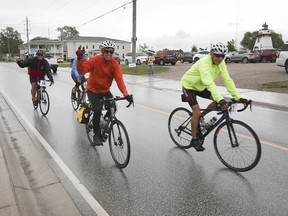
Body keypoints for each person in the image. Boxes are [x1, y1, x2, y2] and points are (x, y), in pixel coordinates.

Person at [180, 42, 249, 152]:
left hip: (201, 86)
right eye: (217, 55)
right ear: (211, 54)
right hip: (189, 85)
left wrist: (238, 98)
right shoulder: (204, 63)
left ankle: (201, 116)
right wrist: (221, 100)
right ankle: (194, 139)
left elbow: (227, 80)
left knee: (217, 101)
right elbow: (208, 82)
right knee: (196, 111)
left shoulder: (221, 63)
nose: (220, 58)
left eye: (223, 56)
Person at [76, 40, 133, 146]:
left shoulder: (114, 64)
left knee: (113, 108)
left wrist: (126, 94)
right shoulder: (95, 60)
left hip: (105, 90)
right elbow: (82, 70)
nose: (109, 54)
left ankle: (104, 125)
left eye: (111, 52)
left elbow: (119, 80)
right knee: (97, 109)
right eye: (106, 51)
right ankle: (96, 135)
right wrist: (80, 58)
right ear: (102, 51)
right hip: (93, 90)